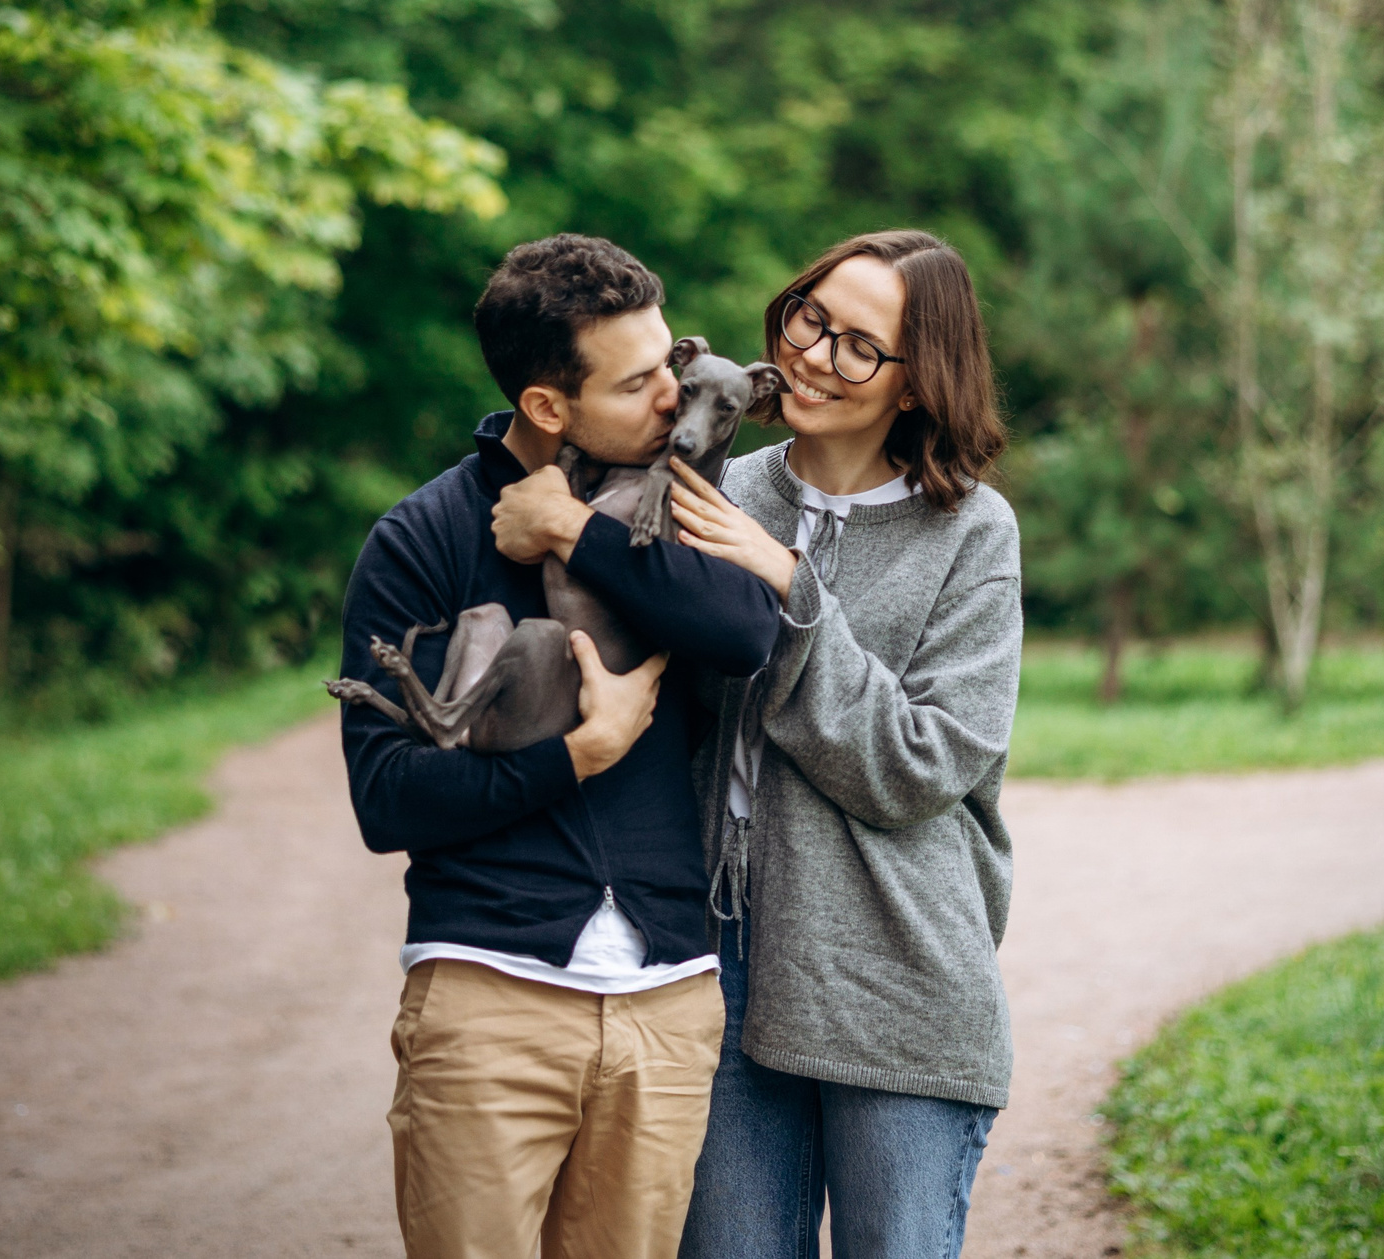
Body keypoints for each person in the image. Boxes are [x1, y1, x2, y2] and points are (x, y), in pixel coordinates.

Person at [335, 233, 783, 1259]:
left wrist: (575, 535)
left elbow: (746, 634)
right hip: (486, 994)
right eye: (637, 384)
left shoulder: (674, 500)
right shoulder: (421, 540)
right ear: (547, 405)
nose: (673, 400)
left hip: (666, 1003)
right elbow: (388, 801)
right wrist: (577, 754)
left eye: (670, 364)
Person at [665, 230, 1022, 1259]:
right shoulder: (716, 488)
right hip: (715, 958)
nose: (817, 355)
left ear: (919, 384)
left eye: (861, 345)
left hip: (891, 976)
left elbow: (922, 765)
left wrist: (788, 588)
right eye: (810, 319)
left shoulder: (970, 534)